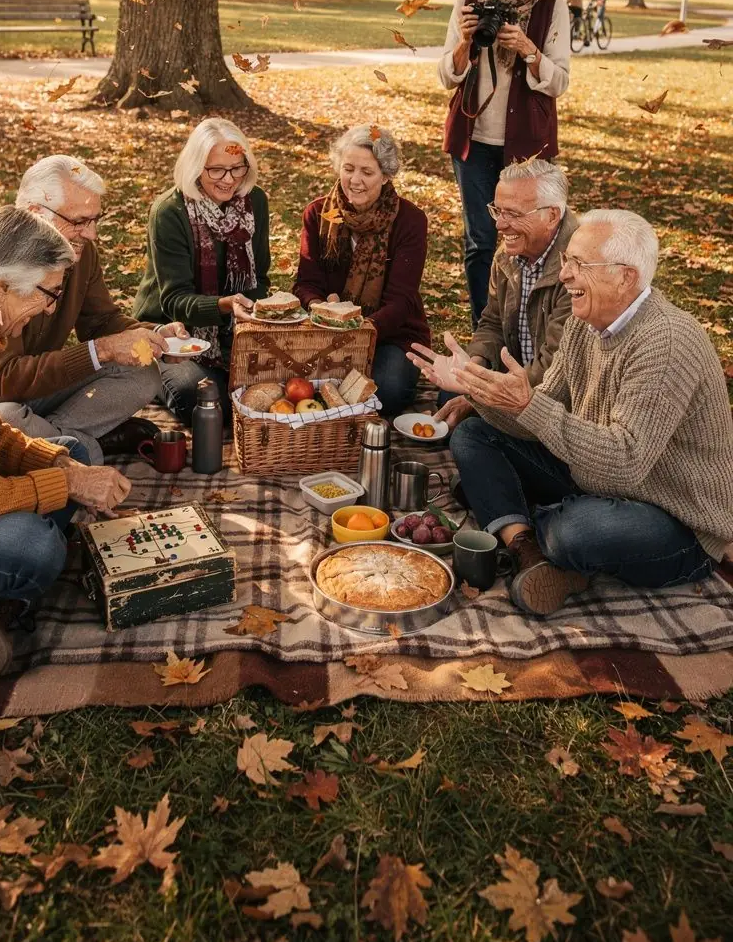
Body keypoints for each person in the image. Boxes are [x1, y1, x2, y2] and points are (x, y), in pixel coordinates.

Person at [432, 210, 733, 616]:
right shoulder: (584, 322)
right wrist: (479, 389)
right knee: (472, 433)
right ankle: (528, 552)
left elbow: (625, 463)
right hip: (593, 479)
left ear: (625, 276)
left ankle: (524, 519)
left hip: (676, 518)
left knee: (574, 530)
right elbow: (541, 413)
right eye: (566, 261)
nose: (564, 275)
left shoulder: (666, 341)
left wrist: (527, 405)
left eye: (579, 265)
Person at [0, 207, 131, 679]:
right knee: (35, 549)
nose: (53, 308)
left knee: (68, 452)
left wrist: (64, 469)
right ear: (0, 287)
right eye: (48, 293)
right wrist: (63, 488)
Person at [0, 155, 175, 463]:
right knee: (7, 418)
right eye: (80, 221)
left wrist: (155, 335)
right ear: (35, 213)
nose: (92, 234)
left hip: (41, 388)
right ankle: (86, 446)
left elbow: (100, 321)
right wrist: (100, 351)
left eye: (96, 219)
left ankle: (56, 443)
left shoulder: (80, 251)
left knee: (143, 369)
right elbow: (2, 382)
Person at [438, 0, 571, 326]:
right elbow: (447, 76)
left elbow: (560, 82)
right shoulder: (469, 3)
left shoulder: (552, 7)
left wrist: (530, 50)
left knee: (532, 241)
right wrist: (465, 41)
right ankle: (486, 334)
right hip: (473, 142)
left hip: (527, 147)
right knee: (480, 241)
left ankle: (528, 329)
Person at [410, 158, 576, 433]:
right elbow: (491, 322)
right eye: (497, 211)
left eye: (514, 214)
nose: (499, 225)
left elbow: (554, 369)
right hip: (512, 382)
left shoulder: (577, 268)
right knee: (449, 399)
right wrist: (474, 366)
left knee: (467, 436)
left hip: (552, 404)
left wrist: (479, 389)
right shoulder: (506, 257)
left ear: (552, 215)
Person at [134, 118, 270, 423]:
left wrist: (247, 319)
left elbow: (260, 278)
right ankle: (155, 372)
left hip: (232, 327)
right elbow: (175, 301)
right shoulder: (170, 212)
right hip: (171, 330)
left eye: (237, 167)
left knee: (269, 391)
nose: (228, 179)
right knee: (205, 399)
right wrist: (226, 305)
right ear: (196, 167)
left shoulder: (255, 202)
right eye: (216, 169)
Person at [293, 125, 430, 416]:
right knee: (303, 389)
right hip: (326, 331)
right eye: (348, 168)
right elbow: (306, 283)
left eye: (367, 172)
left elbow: (401, 301)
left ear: (386, 174)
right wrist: (320, 308)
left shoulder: (410, 221)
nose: (355, 180)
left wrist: (358, 331)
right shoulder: (317, 214)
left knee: (385, 391)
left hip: (390, 334)